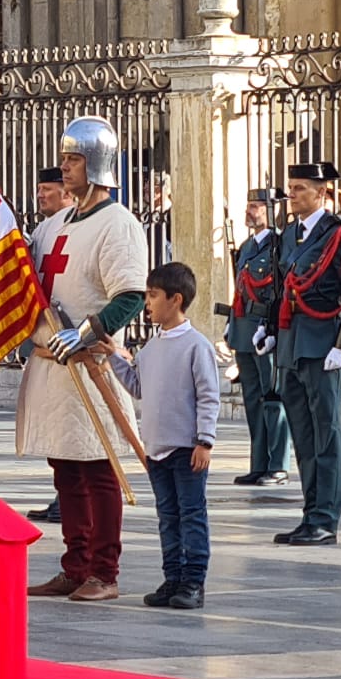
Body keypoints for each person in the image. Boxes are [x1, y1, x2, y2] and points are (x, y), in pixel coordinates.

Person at [21, 117, 149, 603]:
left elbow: (130, 294)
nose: (65, 167)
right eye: (66, 158)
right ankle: (75, 565)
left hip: (89, 363)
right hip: (53, 367)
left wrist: (86, 332)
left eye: (73, 159)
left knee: (98, 468)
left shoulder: (119, 224)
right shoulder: (55, 224)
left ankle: (103, 571)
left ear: (95, 164)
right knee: (65, 467)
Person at [260, 162, 341, 547]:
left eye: (299, 188)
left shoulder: (340, 237)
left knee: (325, 434)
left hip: (324, 345)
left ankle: (326, 517)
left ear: (320, 193)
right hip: (293, 346)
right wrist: (269, 328)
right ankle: (310, 514)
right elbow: (281, 289)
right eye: (290, 187)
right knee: (303, 434)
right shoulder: (290, 235)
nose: (291, 194)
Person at [108, 261, 219, 611]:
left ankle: (193, 581)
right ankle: (172, 577)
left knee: (192, 515)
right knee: (167, 516)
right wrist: (112, 357)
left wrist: (205, 440)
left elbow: (208, 394)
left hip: (187, 449)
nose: (147, 303)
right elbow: (138, 387)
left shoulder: (196, 345)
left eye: (153, 296)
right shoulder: (151, 348)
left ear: (176, 299)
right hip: (156, 450)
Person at [225, 187, 289, 486]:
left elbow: (280, 290)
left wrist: (272, 326)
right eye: (248, 205)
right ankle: (258, 462)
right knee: (252, 399)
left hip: (265, 328)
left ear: (271, 210)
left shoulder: (280, 245)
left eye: (256, 206)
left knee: (272, 397)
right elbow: (241, 288)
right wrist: (231, 324)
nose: (250, 211)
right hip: (244, 329)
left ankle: (277, 465)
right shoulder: (249, 246)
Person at [27, 167, 75, 524]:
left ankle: (69, 500)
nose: (41, 195)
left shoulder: (74, 225)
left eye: (48, 189)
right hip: (46, 342)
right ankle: (62, 496)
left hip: (70, 340)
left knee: (72, 429)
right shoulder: (41, 230)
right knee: (56, 430)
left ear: (66, 193)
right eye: (39, 189)